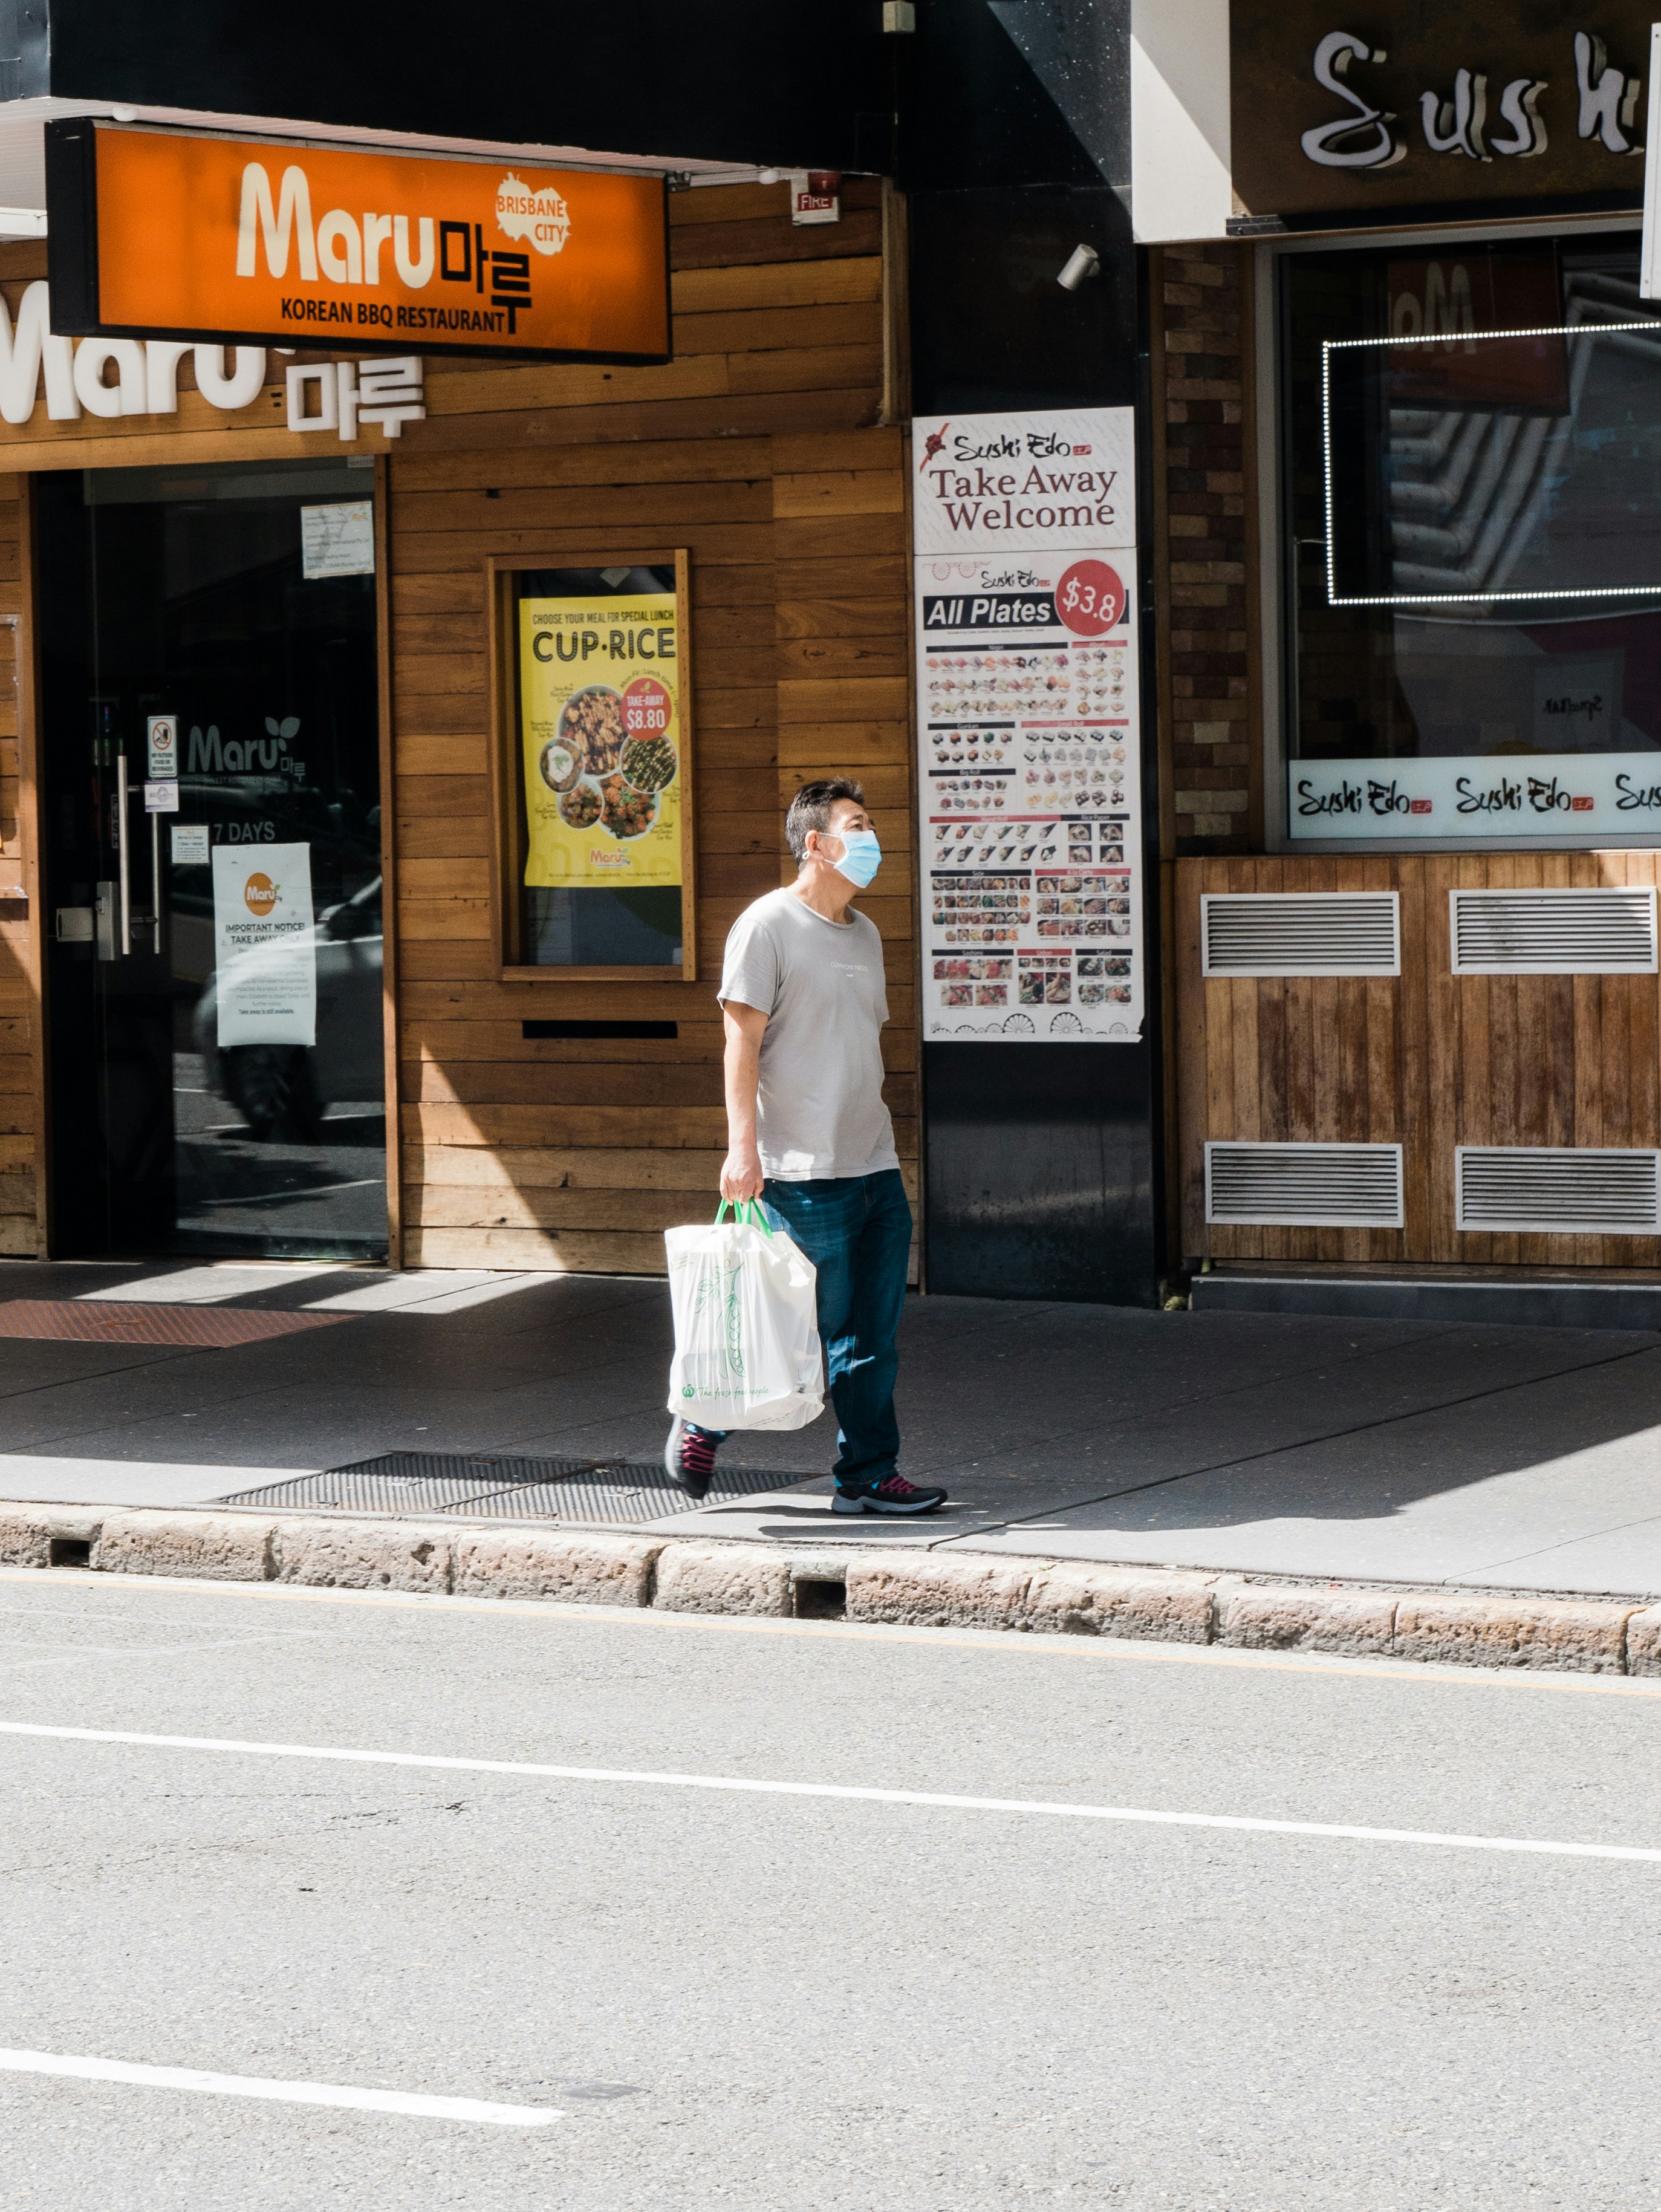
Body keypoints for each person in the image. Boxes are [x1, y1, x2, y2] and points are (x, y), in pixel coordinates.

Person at [665, 777, 948, 1516]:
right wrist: (741, 1150)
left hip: (873, 1164)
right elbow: (740, 1043)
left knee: (871, 1339)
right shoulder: (765, 926)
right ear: (816, 843)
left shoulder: (865, 932)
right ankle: (704, 1418)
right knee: (797, 1329)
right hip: (800, 1169)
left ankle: (867, 1472)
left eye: (871, 823)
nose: (872, 837)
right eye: (858, 825)